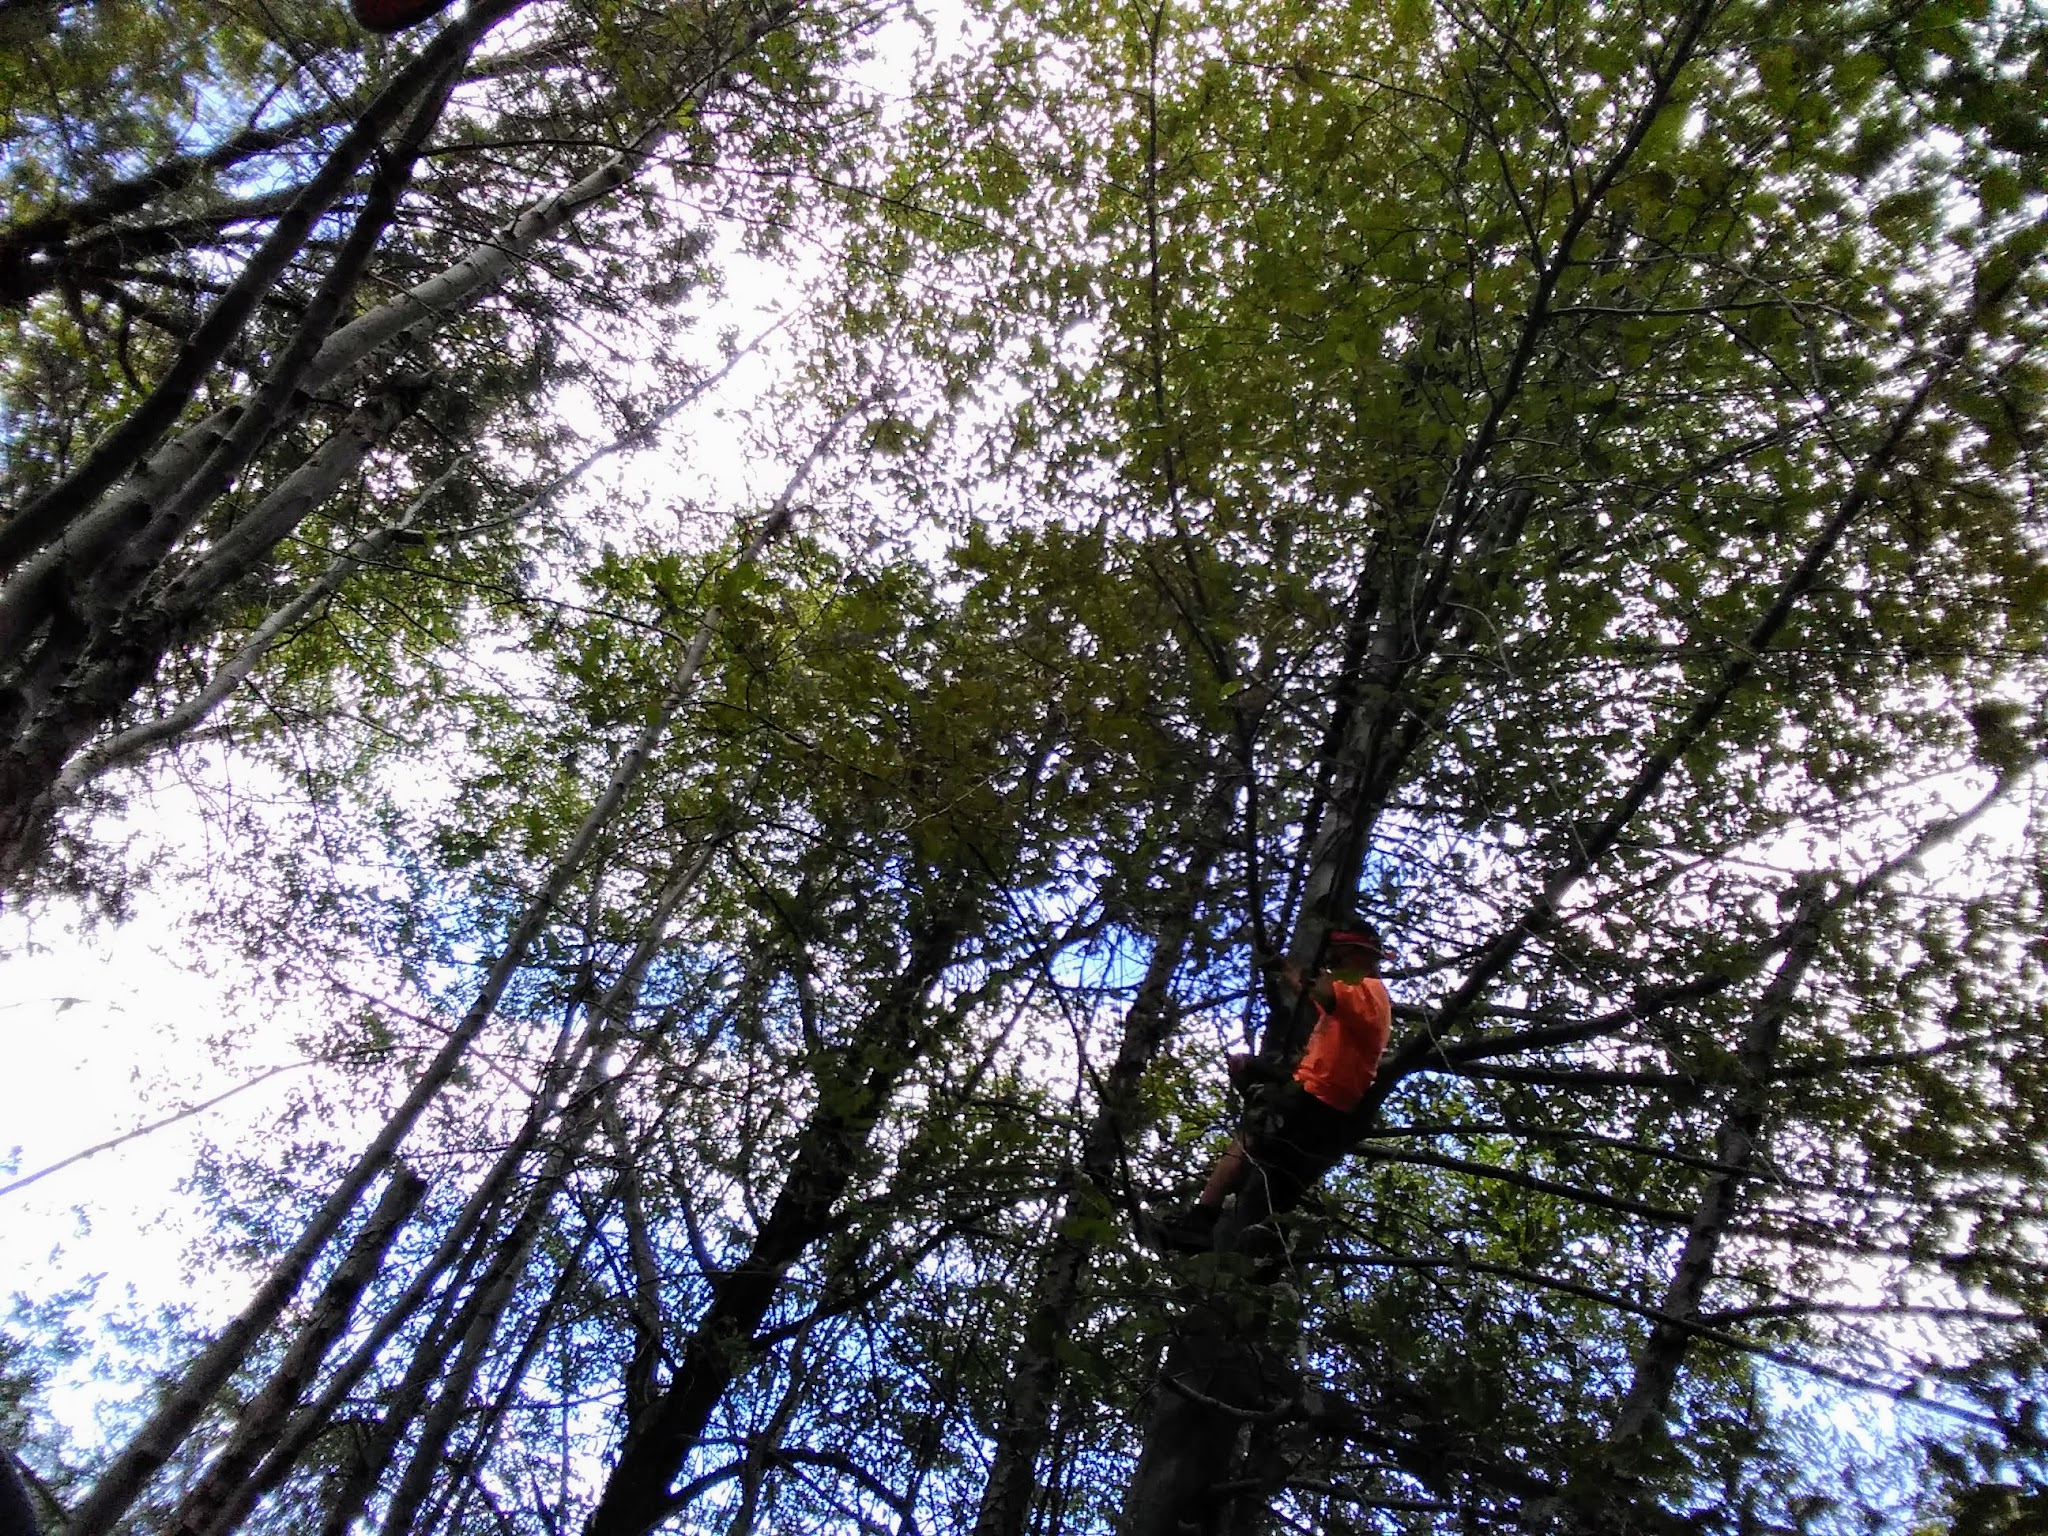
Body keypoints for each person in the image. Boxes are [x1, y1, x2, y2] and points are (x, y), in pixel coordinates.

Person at [1148, 923, 1393, 1253]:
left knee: (1251, 1137)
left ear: (1359, 955)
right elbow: (1313, 993)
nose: (1335, 962)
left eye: (1340, 954)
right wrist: (1285, 968)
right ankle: (1229, 1228)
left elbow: (1324, 992)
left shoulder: (1366, 991)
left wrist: (1316, 969)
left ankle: (1201, 1222)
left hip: (1321, 1100)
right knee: (1255, 1103)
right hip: (1313, 1093)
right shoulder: (1356, 994)